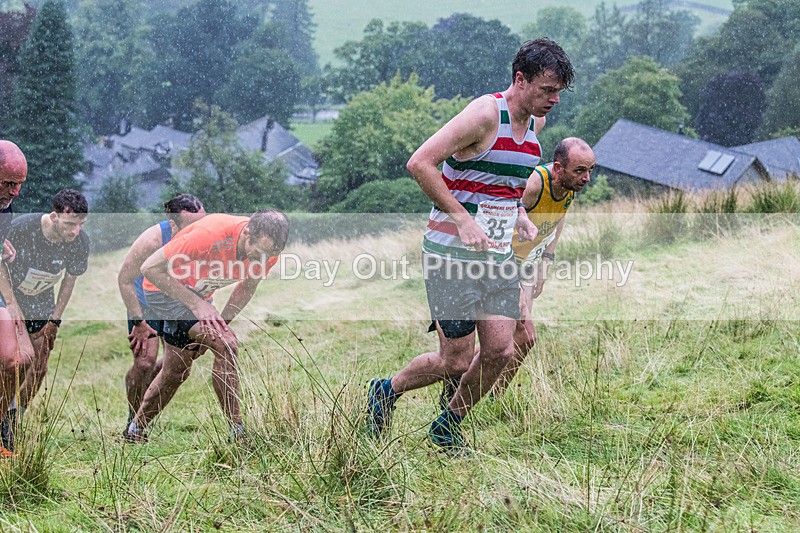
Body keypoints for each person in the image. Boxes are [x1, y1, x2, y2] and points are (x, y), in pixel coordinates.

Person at [366, 38, 574, 453]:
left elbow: (506, 182)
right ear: (521, 79)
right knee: (456, 361)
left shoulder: (535, 125)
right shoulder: (484, 115)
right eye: (547, 89)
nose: (553, 100)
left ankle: (447, 425)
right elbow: (419, 163)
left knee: (500, 350)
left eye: (558, 93)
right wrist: (462, 218)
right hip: (450, 256)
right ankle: (386, 390)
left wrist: (517, 214)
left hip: (496, 256)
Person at [438, 138, 596, 406]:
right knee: (513, 338)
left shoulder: (569, 185)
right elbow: (498, 214)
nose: (587, 178)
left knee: (516, 340)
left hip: (526, 265)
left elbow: (560, 217)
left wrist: (546, 260)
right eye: (580, 171)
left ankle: (486, 396)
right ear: (558, 167)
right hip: (497, 263)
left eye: (590, 169)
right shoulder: (535, 184)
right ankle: (463, 394)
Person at [124, 210, 288, 442]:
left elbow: (246, 288)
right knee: (227, 344)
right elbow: (149, 269)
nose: (261, 261)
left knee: (176, 371)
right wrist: (198, 306)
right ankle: (238, 434)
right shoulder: (208, 235)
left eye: (269, 255)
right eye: (258, 253)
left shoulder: (268, 250)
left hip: (197, 294)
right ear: (248, 232)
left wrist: (220, 323)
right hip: (163, 293)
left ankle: (135, 430)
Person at [1, 189, 90, 450]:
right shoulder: (21, 228)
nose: (75, 231)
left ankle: (15, 416)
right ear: (54, 217)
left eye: (80, 225)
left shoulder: (79, 243)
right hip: (9, 296)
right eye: (70, 224)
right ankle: (3, 414)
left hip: (41, 302)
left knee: (39, 366)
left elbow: (69, 281)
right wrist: (11, 305)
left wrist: (55, 320)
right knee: (16, 360)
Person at [117, 194, 205, 434]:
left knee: (179, 368)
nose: (199, 229)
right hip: (144, 301)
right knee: (145, 362)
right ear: (174, 224)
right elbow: (124, 279)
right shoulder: (153, 239)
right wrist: (139, 321)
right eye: (192, 225)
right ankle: (133, 425)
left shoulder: (205, 236)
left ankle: (141, 418)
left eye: (202, 221)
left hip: (175, 299)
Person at [0, 140, 33, 456]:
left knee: (14, 359)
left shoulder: (5, 206)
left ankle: (0, 431)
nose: (14, 193)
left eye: (19, 185)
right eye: (8, 183)